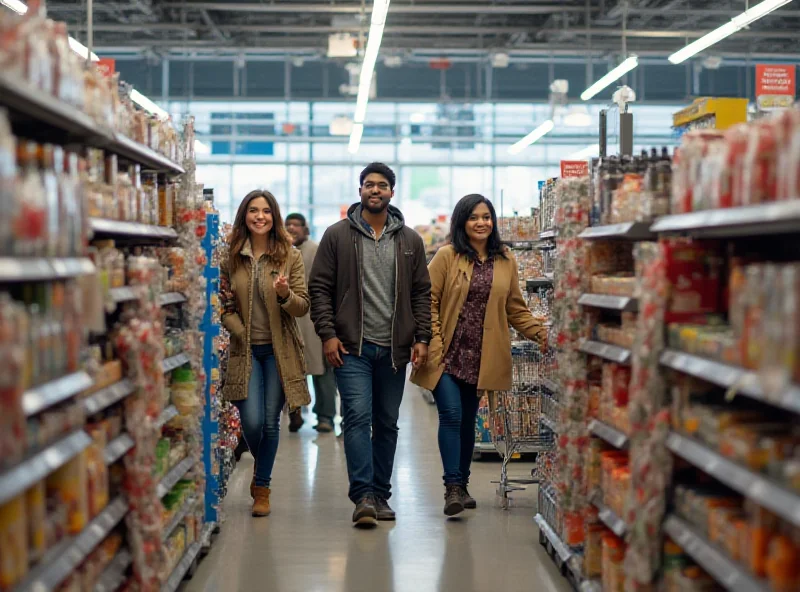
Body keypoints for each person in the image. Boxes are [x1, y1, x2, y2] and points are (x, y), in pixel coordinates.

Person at [309, 162, 432, 528]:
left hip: (394, 349)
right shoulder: (337, 236)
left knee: (387, 422)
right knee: (357, 417)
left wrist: (422, 336)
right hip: (352, 348)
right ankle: (362, 495)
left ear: (392, 192)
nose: (374, 190)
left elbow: (422, 293)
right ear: (359, 190)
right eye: (368, 185)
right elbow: (319, 290)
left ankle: (381, 494)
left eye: (381, 185)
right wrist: (328, 334)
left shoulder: (409, 240)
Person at [411, 194, 547, 517]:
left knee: (468, 421)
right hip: (446, 353)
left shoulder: (505, 259)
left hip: (481, 357)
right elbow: (427, 301)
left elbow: (515, 308)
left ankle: (464, 484)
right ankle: (452, 487)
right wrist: (432, 344)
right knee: (452, 415)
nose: (482, 222)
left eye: (486, 217)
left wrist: (542, 334)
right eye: (474, 217)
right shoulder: (447, 256)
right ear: (462, 222)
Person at [219, 190, 311, 518]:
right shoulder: (230, 256)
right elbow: (224, 305)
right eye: (254, 211)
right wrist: (241, 332)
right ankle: (263, 464)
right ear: (245, 215)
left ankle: (262, 487)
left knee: (270, 422)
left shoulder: (289, 256)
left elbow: (302, 306)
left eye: (266, 211)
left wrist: (286, 295)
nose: (260, 216)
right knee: (252, 420)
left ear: (275, 216)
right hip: (245, 350)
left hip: (278, 351)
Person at [285, 212, 337, 433]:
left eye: (297, 225)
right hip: (288, 317)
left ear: (305, 229)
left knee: (321, 370)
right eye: (288, 224)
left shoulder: (315, 250)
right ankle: (294, 413)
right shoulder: (280, 251)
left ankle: (325, 416)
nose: (292, 228)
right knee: (290, 370)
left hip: (312, 319)